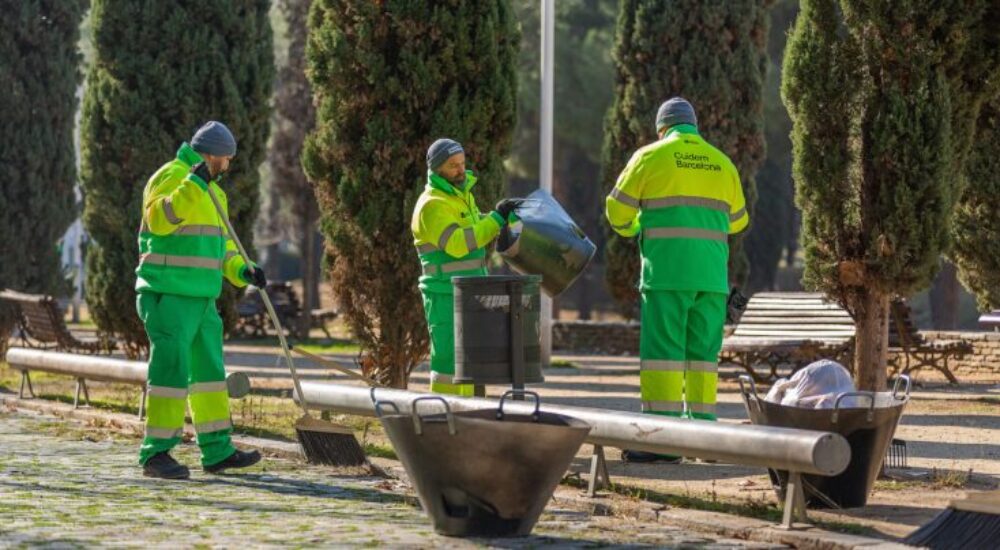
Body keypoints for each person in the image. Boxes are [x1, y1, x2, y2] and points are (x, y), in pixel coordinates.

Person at [605, 98, 749, 463]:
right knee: (702, 358)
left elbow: (617, 209)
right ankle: (704, 438)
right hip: (713, 280)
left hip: (667, 275)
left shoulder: (650, 156)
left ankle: (661, 440)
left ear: (662, 128)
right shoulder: (722, 162)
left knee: (663, 356)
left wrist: (635, 227)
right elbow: (738, 221)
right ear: (694, 126)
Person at [135, 121, 265, 479]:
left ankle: (217, 450)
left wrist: (244, 270)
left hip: (202, 298)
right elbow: (160, 220)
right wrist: (194, 184)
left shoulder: (214, 193)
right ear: (210, 156)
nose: (229, 165)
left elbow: (220, 250)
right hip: (169, 293)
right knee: (170, 374)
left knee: (209, 376)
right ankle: (155, 454)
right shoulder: (172, 176)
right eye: (226, 159)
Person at [411, 138, 520, 395]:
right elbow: (458, 243)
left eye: (462, 163)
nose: (461, 170)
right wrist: (495, 219)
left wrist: (499, 219)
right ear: (437, 169)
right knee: (448, 366)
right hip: (445, 295)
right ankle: (441, 419)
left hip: (468, 292)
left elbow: (472, 228)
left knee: (469, 364)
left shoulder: (460, 198)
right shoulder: (432, 205)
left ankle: (466, 421)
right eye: (453, 166)